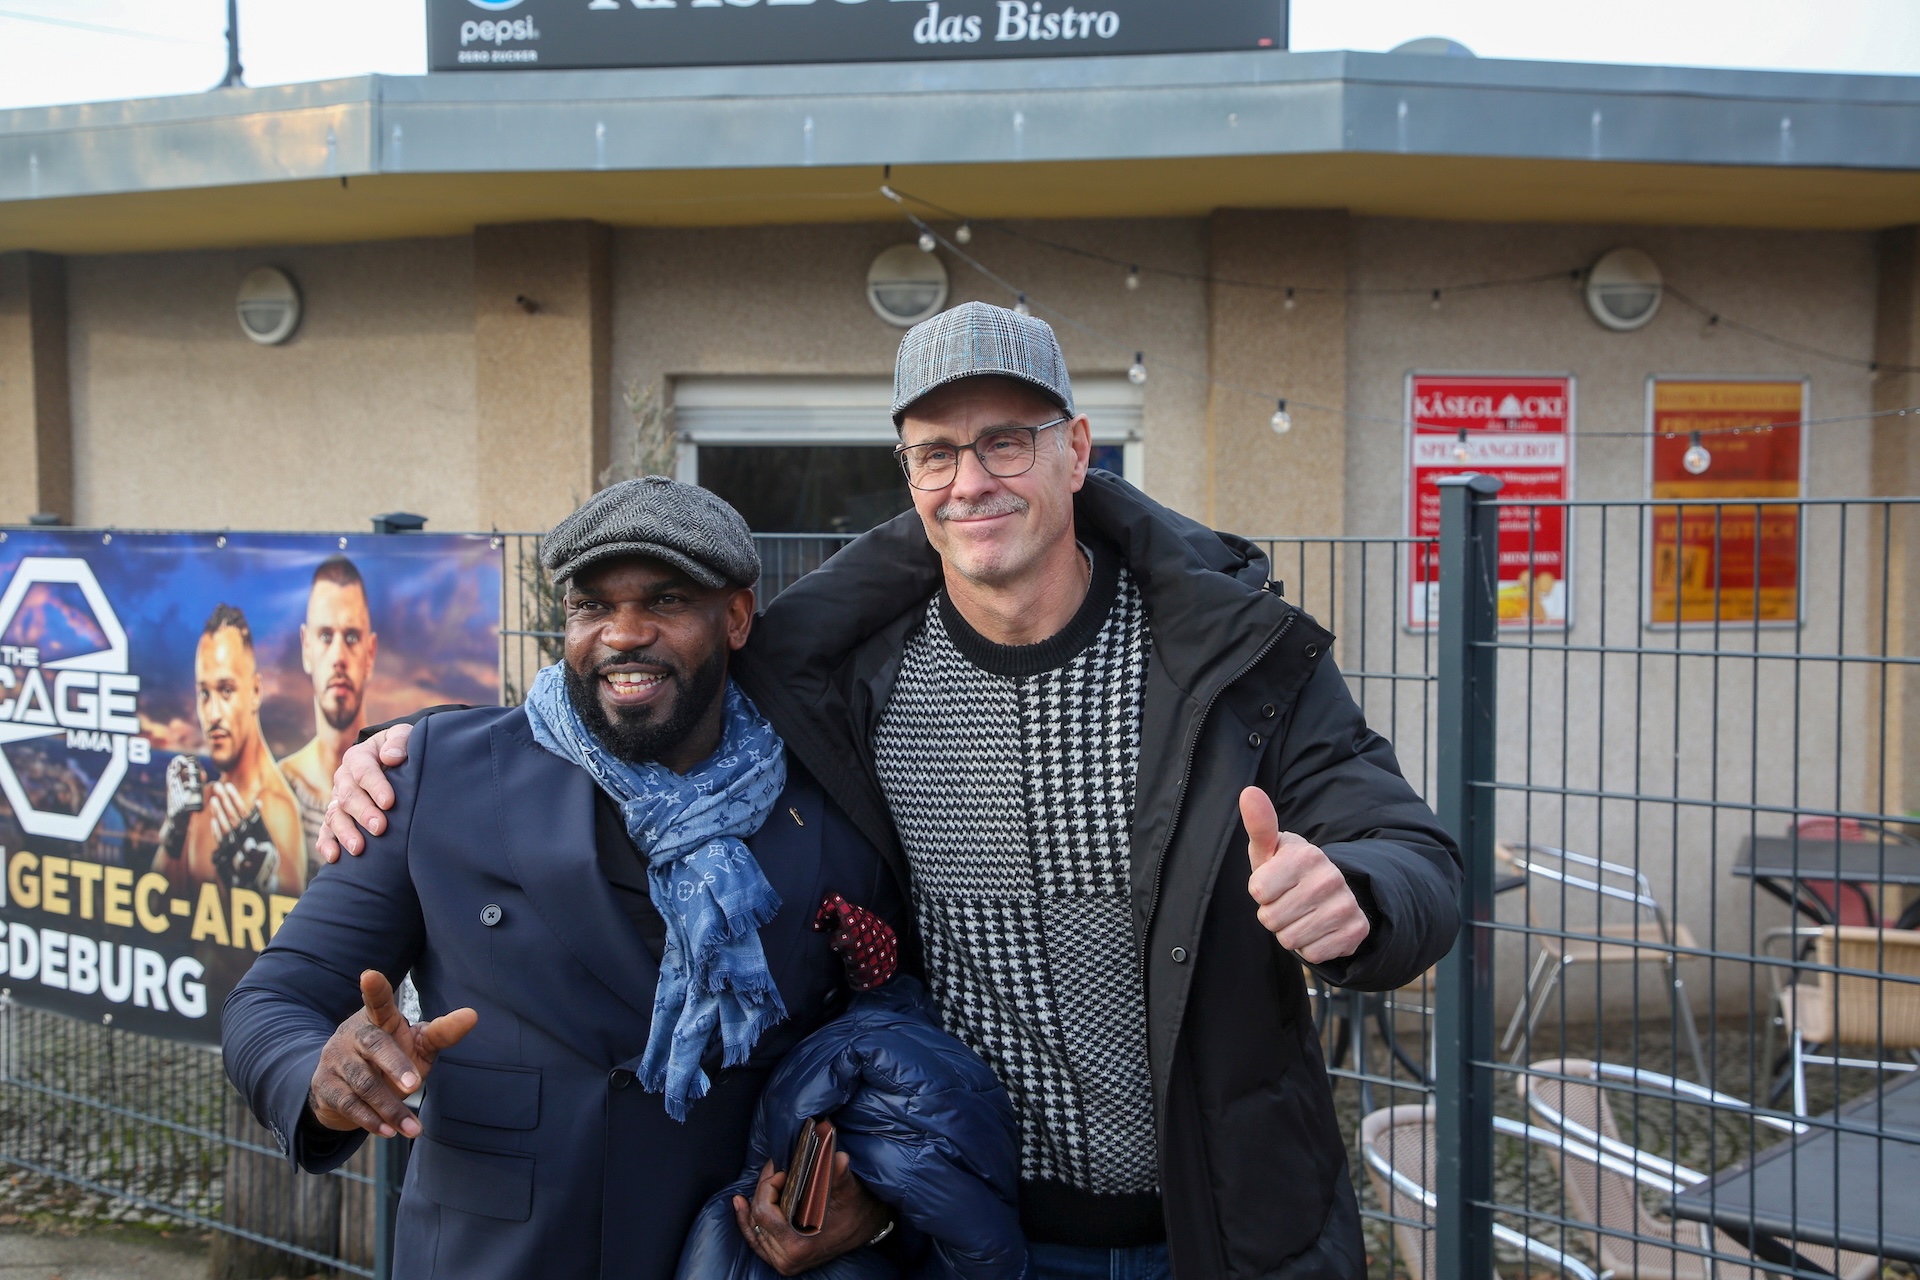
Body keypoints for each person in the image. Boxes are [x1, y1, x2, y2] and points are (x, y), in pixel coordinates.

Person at [324, 304, 1463, 1280]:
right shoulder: (843, 682)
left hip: (1227, 1221)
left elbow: (1406, 844)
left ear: (1077, 448)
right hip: (968, 1226)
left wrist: (1356, 891)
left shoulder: (1228, 659)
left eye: (1006, 442)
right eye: (936, 452)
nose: (972, 480)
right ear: (908, 476)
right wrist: (409, 744)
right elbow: (635, 685)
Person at [223, 481, 908, 1280]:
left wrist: (875, 1207)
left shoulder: (826, 808)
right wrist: (321, 1076)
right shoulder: (435, 779)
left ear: (736, 617)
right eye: (592, 606)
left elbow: (893, 1038)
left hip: (723, 1259)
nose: (624, 634)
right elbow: (272, 1000)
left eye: (667, 599)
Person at [154, 604, 306, 895]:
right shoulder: (203, 803)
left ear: (256, 692)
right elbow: (154, 910)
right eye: (204, 694)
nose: (213, 714)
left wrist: (264, 891)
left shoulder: (277, 811)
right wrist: (173, 834)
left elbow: (295, 935)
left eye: (226, 690)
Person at [279, 555, 379, 881]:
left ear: (370, 653)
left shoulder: (399, 786)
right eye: (325, 636)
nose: (338, 657)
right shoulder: (277, 789)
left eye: (351, 637)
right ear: (306, 648)